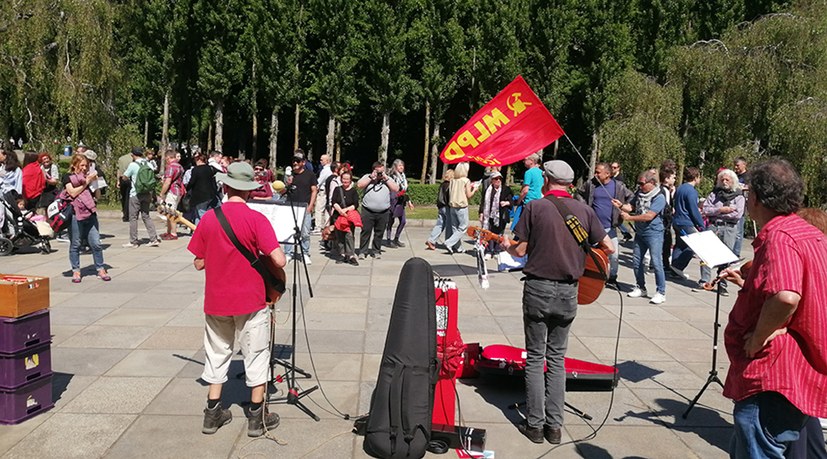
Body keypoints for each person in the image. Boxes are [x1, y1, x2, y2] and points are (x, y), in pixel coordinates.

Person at [719, 158, 827, 458]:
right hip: (795, 374)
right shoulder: (809, 233)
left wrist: (757, 337)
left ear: (754, 198)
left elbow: (786, 296)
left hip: (775, 376)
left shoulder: (780, 236)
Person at [500, 160, 613, 445]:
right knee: (557, 359)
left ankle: (535, 426)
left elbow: (521, 250)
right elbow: (608, 247)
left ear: (547, 179)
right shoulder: (585, 211)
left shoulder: (535, 208)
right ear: (570, 183)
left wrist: (507, 245)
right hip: (569, 292)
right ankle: (555, 427)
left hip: (538, 288)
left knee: (536, 358)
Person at [187, 161, 287, 437]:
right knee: (256, 354)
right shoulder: (257, 220)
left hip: (217, 300)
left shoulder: (208, 218)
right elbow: (279, 259)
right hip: (251, 301)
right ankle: (257, 418)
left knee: (217, 354)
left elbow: (198, 263)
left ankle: (212, 413)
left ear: (225, 185)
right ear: (249, 191)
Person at [576, 162, 634, 284]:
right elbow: (578, 193)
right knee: (589, 253)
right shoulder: (591, 184)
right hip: (592, 227)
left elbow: (632, 198)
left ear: (607, 174)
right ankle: (588, 277)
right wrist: (585, 207)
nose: (595, 174)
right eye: (595, 172)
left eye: (598, 172)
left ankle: (612, 277)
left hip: (610, 227)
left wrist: (625, 207)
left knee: (614, 254)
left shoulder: (618, 186)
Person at [619, 169, 667, 304]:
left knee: (657, 262)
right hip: (640, 233)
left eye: (642, 183)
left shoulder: (659, 196)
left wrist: (630, 218)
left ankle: (661, 292)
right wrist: (621, 205)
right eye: (638, 184)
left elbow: (649, 216)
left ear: (651, 182)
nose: (639, 186)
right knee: (636, 261)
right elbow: (631, 206)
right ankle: (640, 287)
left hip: (654, 233)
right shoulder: (639, 193)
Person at [695, 169, 744, 295]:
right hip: (713, 226)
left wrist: (717, 212)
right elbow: (706, 209)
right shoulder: (714, 194)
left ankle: (722, 284)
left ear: (733, 181)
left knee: (725, 257)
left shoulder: (739, 196)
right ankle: (704, 280)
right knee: (705, 254)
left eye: (727, 179)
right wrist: (722, 209)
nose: (724, 182)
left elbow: (737, 214)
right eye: (722, 180)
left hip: (729, 228)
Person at [62, 154, 110, 283]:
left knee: (96, 243)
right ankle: (76, 271)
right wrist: (86, 182)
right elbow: (72, 193)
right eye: (81, 165)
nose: (84, 168)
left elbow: (97, 196)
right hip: (75, 214)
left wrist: (97, 183)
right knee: (76, 244)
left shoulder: (89, 177)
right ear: (74, 165)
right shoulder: (68, 177)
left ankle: (100, 268)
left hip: (90, 212)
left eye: (86, 165)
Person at [669, 167, 706, 279]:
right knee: (694, 246)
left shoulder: (680, 188)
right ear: (696, 177)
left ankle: (674, 271)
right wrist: (701, 224)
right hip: (686, 222)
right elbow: (693, 210)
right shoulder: (691, 191)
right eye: (699, 177)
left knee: (680, 245)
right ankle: (678, 266)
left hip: (677, 221)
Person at [357, 161, 398, 259]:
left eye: (382, 171)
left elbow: (396, 189)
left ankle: (376, 250)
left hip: (383, 211)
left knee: (379, 232)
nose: (380, 173)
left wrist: (386, 178)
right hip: (368, 210)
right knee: (366, 231)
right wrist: (371, 178)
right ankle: (363, 251)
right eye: (378, 171)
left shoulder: (387, 179)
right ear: (374, 170)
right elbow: (359, 185)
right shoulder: (368, 177)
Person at [122, 147, 161, 248]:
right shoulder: (148, 163)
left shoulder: (133, 165)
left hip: (136, 193)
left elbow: (125, 176)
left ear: (132, 155)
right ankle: (153, 239)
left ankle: (133, 241)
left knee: (133, 218)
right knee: (146, 216)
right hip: (147, 193)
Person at [282, 151, 317, 264]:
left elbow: (314, 191)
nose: (295, 163)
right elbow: (283, 191)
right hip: (290, 205)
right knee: (289, 230)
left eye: (297, 161)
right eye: (293, 161)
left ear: (303, 162)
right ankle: (288, 253)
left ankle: (305, 253)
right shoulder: (289, 174)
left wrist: (311, 205)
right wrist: (288, 183)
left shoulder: (310, 174)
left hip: (304, 206)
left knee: (305, 232)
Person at [442, 162, 479, 254]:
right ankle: (449, 243)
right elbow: (469, 195)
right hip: (461, 206)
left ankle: (458, 248)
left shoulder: (453, 180)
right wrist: (474, 189)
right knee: (463, 227)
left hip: (452, 206)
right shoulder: (466, 180)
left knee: (455, 227)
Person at [479, 171, 512, 258]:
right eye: (496, 179)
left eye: (500, 179)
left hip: (501, 216)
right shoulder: (488, 190)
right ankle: (489, 251)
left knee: (499, 234)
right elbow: (483, 202)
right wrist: (481, 213)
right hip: (489, 215)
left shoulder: (506, 189)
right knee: (489, 233)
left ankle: (497, 250)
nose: (498, 180)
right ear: (492, 180)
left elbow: (512, 201)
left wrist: (506, 203)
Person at [331, 170, 360, 265]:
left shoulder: (353, 191)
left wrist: (345, 210)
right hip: (338, 216)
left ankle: (350, 255)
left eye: (347, 179)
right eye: (343, 179)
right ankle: (342, 254)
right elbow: (333, 201)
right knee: (339, 236)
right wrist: (340, 211)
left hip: (349, 217)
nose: (345, 181)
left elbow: (356, 204)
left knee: (349, 235)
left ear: (351, 180)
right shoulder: (337, 189)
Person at [158, 150, 186, 240]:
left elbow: (168, 181)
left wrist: (162, 193)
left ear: (169, 157)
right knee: (168, 212)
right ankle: (169, 231)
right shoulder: (180, 166)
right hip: (179, 191)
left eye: (166, 159)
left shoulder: (171, 167)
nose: (166, 161)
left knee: (171, 212)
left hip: (173, 191)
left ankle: (173, 233)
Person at [386, 159, 414, 248]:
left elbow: (404, 190)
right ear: (395, 167)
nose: (401, 167)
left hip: (401, 201)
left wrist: (409, 201)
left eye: (402, 165)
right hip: (393, 201)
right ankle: (388, 240)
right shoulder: (392, 176)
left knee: (403, 221)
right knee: (390, 221)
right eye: (399, 165)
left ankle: (396, 238)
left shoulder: (403, 177)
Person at [185, 152, 218, 225]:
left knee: (201, 213)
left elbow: (192, 181)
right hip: (210, 194)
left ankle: (205, 230)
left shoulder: (196, 169)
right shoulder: (210, 168)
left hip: (199, 195)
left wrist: (187, 188)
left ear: (199, 160)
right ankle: (197, 230)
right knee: (198, 214)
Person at [512, 153, 543, 229]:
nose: (523, 161)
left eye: (525, 159)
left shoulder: (529, 172)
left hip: (529, 202)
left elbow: (525, 190)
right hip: (539, 201)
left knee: (524, 226)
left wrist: (518, 201)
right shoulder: (541, 172)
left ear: (531, 161)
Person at [425, 169, 454, 251]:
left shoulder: (442, 184)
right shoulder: (449, 185)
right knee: (449, 226)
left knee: (439, 224)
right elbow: (448, 198)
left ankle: (431, 240)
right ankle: (449, 242)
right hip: (446, 207)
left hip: (440, 206)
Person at [658, 165, 677, 273]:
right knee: (666, 243)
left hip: (664, 222)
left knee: (666, 243)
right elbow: (665, 206)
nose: (674, 179)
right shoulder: (664, 190)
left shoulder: (664, 190)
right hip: (664, 223)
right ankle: (665, 265)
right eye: (673, 177)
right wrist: (670, 212)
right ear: (666, 179)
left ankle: (664, 263)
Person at [611, 161, 633, 242]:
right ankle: (626, 233)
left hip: (619, 202)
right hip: (613, 201)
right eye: (612, 167)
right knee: (616, 220)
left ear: (618, 168)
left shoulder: (620, 179)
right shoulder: (611, 177)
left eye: (615, 167)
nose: (612, 169)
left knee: (617, 220)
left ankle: (626, 233)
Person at [732, 156, 750, 257]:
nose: (736, 167)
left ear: (744, 164)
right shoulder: (734, 175)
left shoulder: (748, 176)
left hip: (742, 204)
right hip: (733, 204)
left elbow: (749, 188)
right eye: (735, 165)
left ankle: (736, 253)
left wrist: (741, 187)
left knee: (738, 232)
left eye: (738, 165)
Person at [314, 154, 332, 233]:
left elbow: (319, 181)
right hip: (328, 191)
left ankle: (318, 227)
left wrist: (314, 187)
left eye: (322, 160)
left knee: (319, 209)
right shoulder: (330, 169)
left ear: (327, 161)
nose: (320, 161)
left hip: (322, 191)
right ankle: (325, 225)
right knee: (326, 210)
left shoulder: (325, 170)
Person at [117, 150, 133, 222]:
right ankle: (129, 215)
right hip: (130, 178)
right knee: (129, 197)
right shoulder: (133, 159)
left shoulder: (121, 158)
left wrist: (118, 181)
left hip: (122, 178)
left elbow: (118, 170)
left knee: (123, 198)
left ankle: (124, 214)